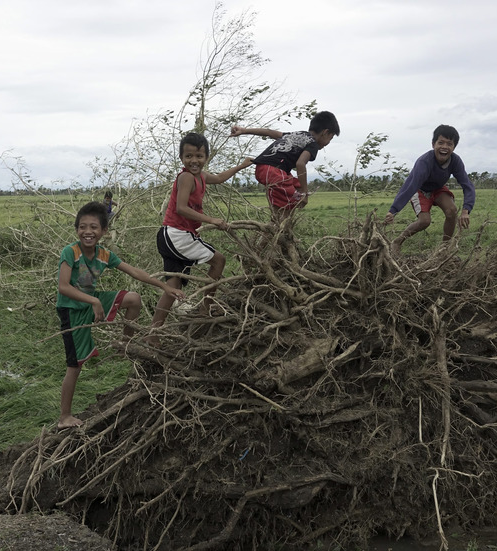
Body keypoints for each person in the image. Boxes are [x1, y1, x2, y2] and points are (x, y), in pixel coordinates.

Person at [56, 201, 185, 429]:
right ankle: (64, 416)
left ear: (104, 231)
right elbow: (64, 287)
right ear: (76, 229)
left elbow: (135, 272)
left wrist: (164, 287)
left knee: (133, 299)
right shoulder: (71, 252)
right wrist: (94, 300)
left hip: (90, 301)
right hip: (72, 310)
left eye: (94, 227)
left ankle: (126, 344)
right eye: (83, 227)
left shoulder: (104, 254)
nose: (88, 232)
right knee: (75, 365)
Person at [150, 132, 253, 345]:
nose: (194, 161)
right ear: (181, 158)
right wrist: (212, 220)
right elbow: (181, 208)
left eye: (199, 156)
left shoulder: (202, 176)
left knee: (173, 287)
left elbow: (221, 178)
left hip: (169, 235)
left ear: (206, 156)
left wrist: (241, 166)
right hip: (176, 234)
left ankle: (153, 335)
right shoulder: (186, 177)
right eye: (188, 156)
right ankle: (206, 308)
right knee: (219, 260)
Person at [230, 111, 340, 222]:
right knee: (287, 206)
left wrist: (244, 130)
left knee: (296, 186)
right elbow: (300, 164)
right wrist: (304, 193)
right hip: (274, 170)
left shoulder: (297, 135)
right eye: (330, 138)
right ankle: (279, 231)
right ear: (325, 133)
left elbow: (269, 132)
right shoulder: (313, 144)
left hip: (264, 168)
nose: (328, 143)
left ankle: (281, 228)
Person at [383, 124, 476, 253]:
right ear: (433, 144)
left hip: (438, 188)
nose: (444, 147)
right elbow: (410, 186)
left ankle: (444, 249)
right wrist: (393, 210)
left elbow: (467, 185)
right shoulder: (424, 162)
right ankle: (398, 241)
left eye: (449, 144)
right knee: (424, 221)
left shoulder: (455, 161)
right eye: (441, 142)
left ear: (454, 147)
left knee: (452, 211)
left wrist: (466, 211)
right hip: (420, 189)